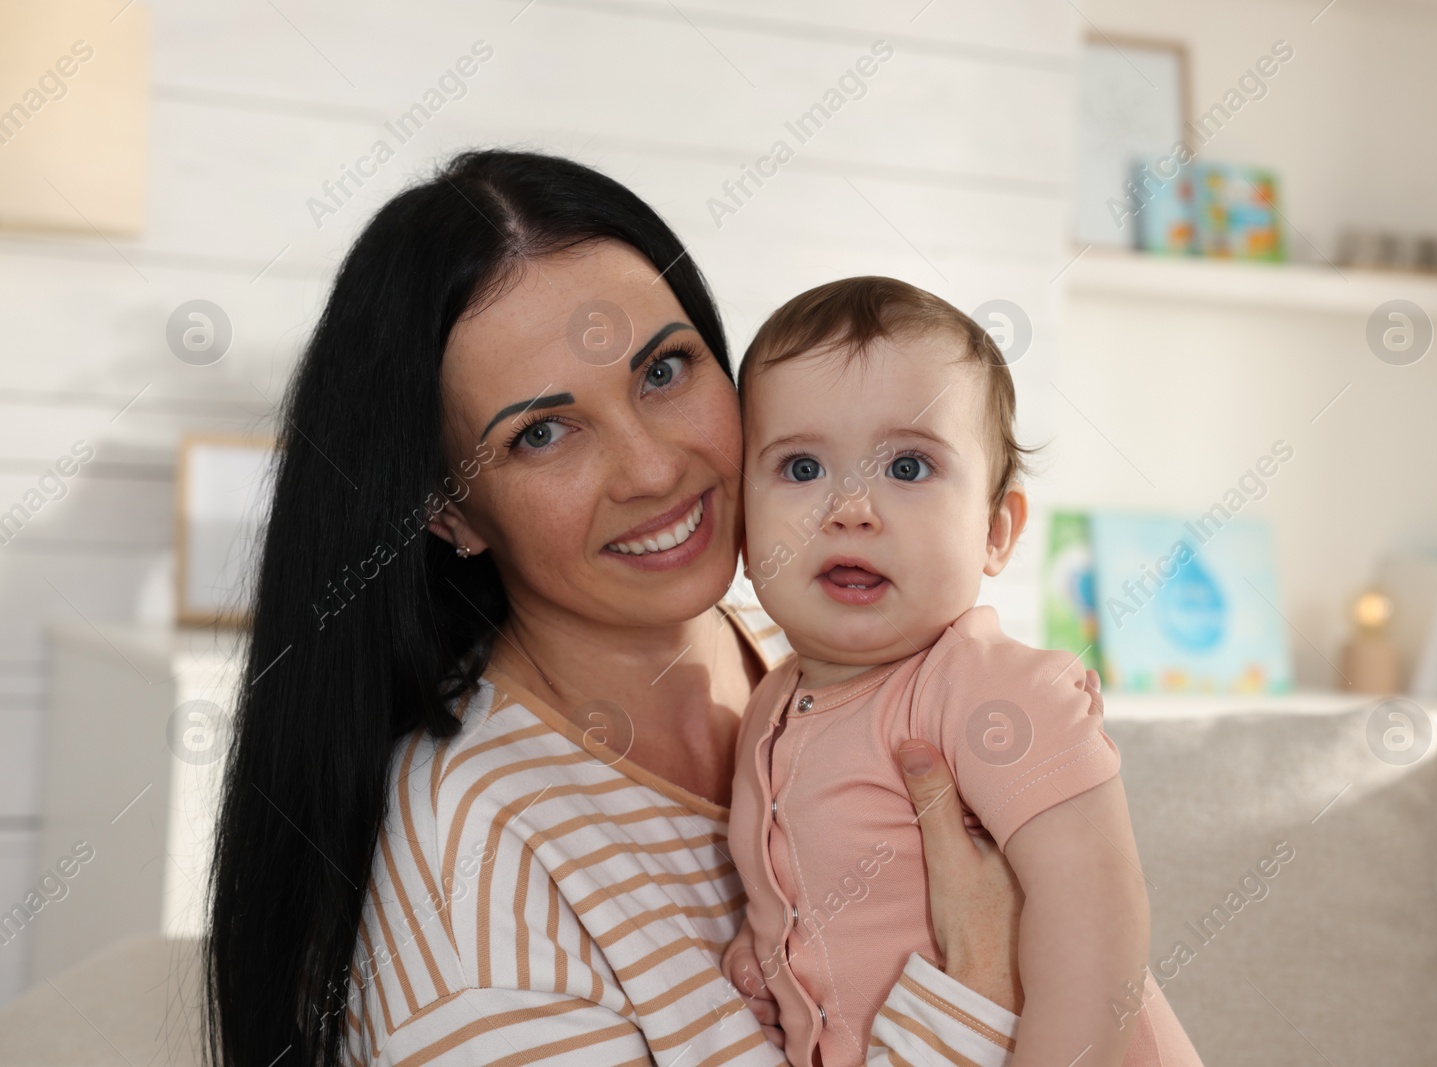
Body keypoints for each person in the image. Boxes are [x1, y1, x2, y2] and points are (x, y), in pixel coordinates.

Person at [204, 151, 1043, 1067]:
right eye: (543, 433)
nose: (652, 470)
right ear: (448, 509)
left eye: (664, 370)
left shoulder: (821, 644)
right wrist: (984, 981)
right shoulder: (470, 880)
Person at [720, 277, 1202, 1067]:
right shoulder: (768, 703)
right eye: (802, 467)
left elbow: (1096, 924)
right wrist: (764, 947)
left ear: (995, 530)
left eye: (908, 468)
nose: (851, 507)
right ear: (742, 517)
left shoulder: (991, 689)